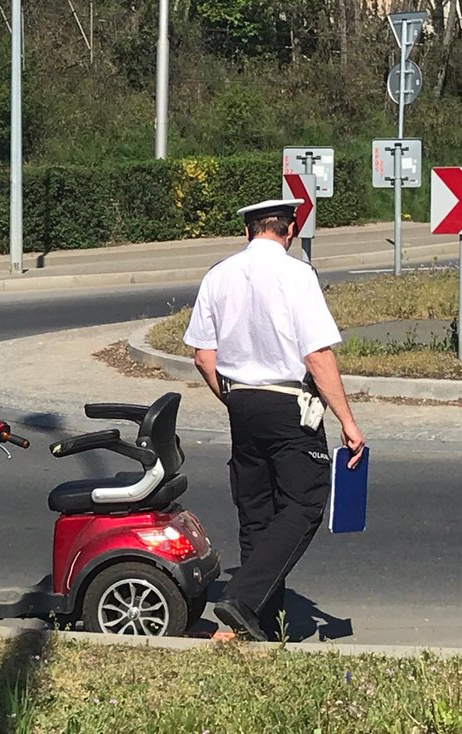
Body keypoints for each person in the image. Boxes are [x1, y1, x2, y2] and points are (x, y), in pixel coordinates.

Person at [183, 198, 366, 641]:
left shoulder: (219, 274)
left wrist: (232, 398)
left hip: (241, 402)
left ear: (248, 232)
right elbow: (317, 355)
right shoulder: (297, 274)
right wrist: (348, 420)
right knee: (304, 503)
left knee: (257, 513)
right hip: (289, 406)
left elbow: (203, 357)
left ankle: (258, 628)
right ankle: (243, 599)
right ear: (290, 232)